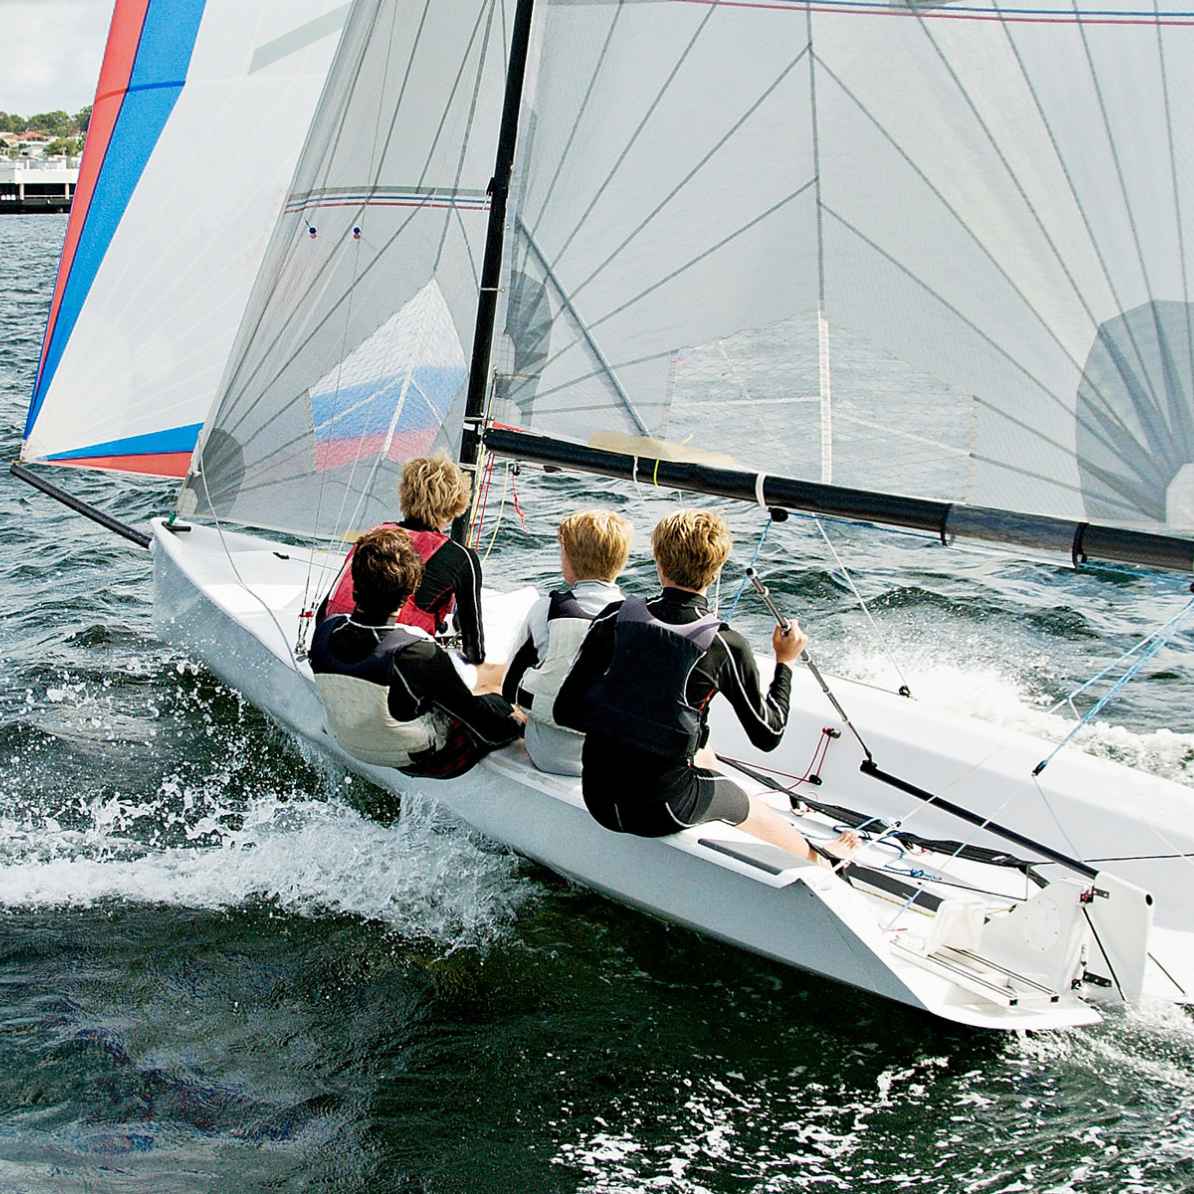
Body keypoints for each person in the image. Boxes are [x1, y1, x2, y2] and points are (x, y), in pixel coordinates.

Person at [555, 510, 857, 867]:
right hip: (659, 810)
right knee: (737, 797)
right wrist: (784, 662)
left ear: (658, 560)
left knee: (698, 749)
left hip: (599, 797)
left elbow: (566, 711)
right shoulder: (725, 644)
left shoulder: (613, 616)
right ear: (716, 571)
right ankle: (821, 858)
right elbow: (768, 734)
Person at [310, 526, 523, 780]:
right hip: (415, 759)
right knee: (493, 700)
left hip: (346, 740)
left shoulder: (325, 632)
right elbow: (480, 720)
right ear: (408, 594)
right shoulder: (416, 654)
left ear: (354, 582)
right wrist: (516, 721)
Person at [321, 455, 488, 672]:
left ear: (405, 493)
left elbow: (326, 609)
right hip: (393, 669)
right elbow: (474, 649)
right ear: (457, 503)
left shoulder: (375, 535)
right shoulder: (462, 558)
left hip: (329, 650)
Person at [502, 510, 634, 776]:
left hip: (548, 754)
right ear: (621, 562)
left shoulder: (545, 609)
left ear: (569, 561)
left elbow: (509, 687)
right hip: (610, 758)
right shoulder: (638, 618)